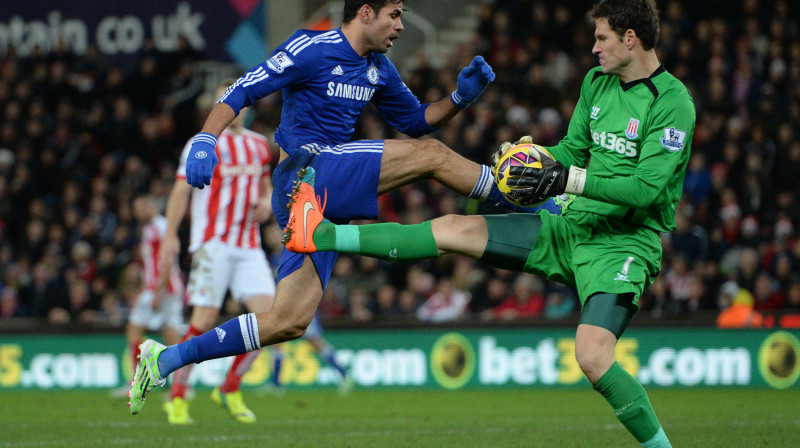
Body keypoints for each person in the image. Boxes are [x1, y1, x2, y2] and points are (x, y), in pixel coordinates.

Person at [282, 1, 693, 446]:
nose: (593, 48)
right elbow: (573, 149)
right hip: (571, 227)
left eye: (602, 38)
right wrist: (530, 161)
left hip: (623, 242)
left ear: (630, 38)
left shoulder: (672, 103)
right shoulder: (597, 83)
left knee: (592, 356)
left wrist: (564, 177)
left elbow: (647, 190)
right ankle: (324, 234)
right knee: (455, 228)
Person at [129, 0, 557, 416]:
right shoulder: (311, 48)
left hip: (319, 201)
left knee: (288, 321)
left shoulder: (378, 69)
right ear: (365, 13)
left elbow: (416, 120)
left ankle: (166, 358)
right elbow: (243, 87)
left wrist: (459, 99)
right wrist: (207, 138)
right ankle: (525, 196)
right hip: (306, 171)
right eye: (394, 15)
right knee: (430, 156)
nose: (401, 26)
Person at [153, 83, 277, 424]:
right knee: (202, 321)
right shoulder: (202, 143)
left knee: (273, 322)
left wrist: (267, 202)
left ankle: (230, 387)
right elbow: (180, 190)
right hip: (213, 245)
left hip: (248, 246)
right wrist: (169, 237)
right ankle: (177, 397)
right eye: (226, 101)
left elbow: (265, 188)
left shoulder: (258, 145)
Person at [123, 196, 184, 390]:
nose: (136, 212)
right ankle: (143, 382)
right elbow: (150, 265)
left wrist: (159, 290)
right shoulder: (150, 228)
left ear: (150, 205)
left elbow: (167, 260)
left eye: (139, 207)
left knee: (170, 334)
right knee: (142, 330)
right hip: (155, 288)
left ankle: (180, 385)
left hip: (165, 288)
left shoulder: (162, 225)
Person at [268, 313, 354, 396]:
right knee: (277, 343)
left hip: (303, 311)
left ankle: (344, 375)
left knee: (317, 344)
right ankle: (276, 385)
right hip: (287, 311)